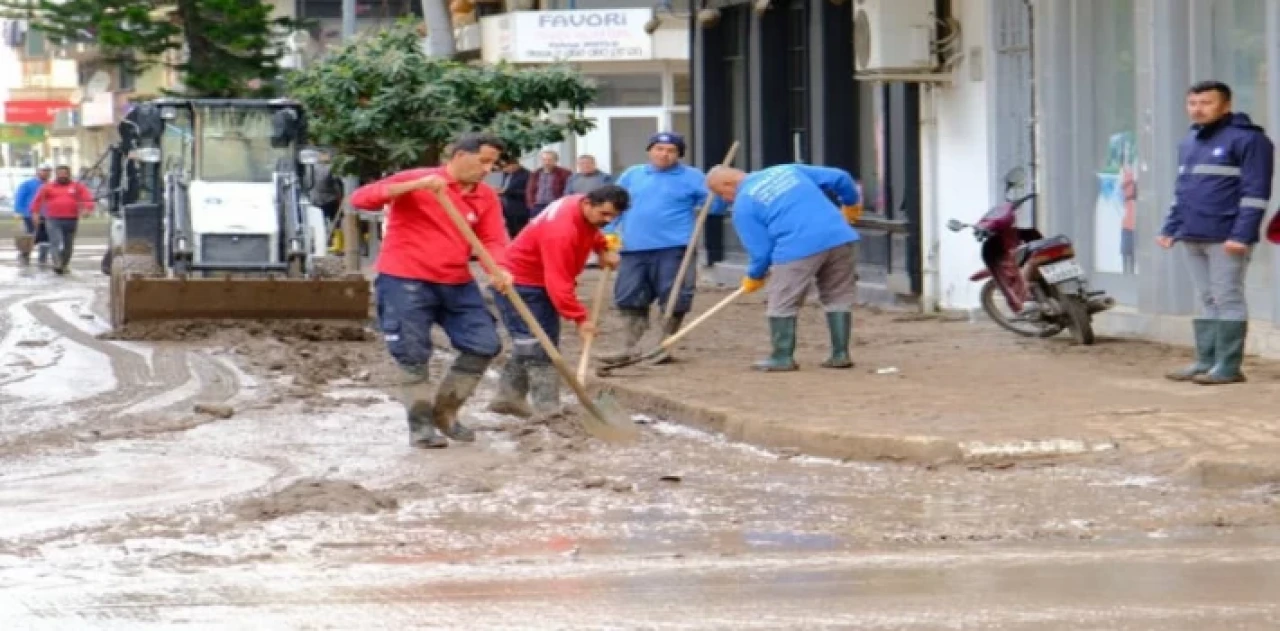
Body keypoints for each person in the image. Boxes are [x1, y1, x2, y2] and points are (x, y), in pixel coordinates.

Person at [350, 132, 513, 449]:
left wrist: (500, 268)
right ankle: (421, 425)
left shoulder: (485, 197)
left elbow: (492, 239)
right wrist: (416, 186)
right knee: (412, 354)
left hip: (455, 280)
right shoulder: (418, 179)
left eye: (493, 163)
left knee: (484, 343)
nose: (488, 169)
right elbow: (361, 199)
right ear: (458, 155)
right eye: (483, 161)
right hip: (404, 279)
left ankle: (446, 412)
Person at [1159, 80, 1273, 386]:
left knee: (1227, 297)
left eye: (1206, 103)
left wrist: (1242, 234)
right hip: (1192, 233)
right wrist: (1170, 227)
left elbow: (1256, 193)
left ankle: (1228, 367)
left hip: (1226, 236)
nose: (1198, 109)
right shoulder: (1190, 141)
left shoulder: (1250, 141)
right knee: (1206, 297)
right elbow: (1182, 190)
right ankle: (1205, 361)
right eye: (1193, 103)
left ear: (1226, 105)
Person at [487, 185, 629, 418]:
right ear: (588, 203)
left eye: (613, 216)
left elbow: (591, 229)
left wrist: (602, 248)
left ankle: (507, 397)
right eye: (604, 214)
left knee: (533, 343)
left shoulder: (578, 202)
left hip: (536, 281)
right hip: (518, 285)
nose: (608, 220)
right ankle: (548, 409)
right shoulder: (561, 231)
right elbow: (558, 283)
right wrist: (580, 318)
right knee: (540, 347)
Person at [705, 163, 862, 371]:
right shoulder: (786, 170)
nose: (724, 200)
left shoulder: (744, 205)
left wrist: (754, 276)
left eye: (720, 193)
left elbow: (761, 252)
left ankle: (782, 357)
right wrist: (851, 204)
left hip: (797, 246)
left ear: (728, 183)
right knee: (837, 296)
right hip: (839, 236)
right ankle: (840, 354)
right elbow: (841, 177)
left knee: (781, 300)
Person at [599, 132, 710, 364]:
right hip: (634, 247)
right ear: (650, 151)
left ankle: (662, 347)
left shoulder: (693, 177)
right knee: (629, 297)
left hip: (675, 248)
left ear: (679, 154)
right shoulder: (633, 174)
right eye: (659, 148)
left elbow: (714, 206)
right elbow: (613, 205)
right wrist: (607, 234)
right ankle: (629, 347)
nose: (664, 154)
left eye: (671, 150)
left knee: (674, 297)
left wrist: (716, 190)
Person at [30, 164, 94, 275]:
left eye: (65, 174)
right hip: (52, 219)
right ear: (56, 175)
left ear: (69, 175)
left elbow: (87, 199)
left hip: (71, 219)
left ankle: (64, 264)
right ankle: (57, 263)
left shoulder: (77, 186)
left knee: (68, 244)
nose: (62, 176)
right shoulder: (47, 187)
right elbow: (37, 201)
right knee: (55, 241)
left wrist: (87, 210)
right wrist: (35, 214)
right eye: (60, 174)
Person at [12, 162, 51, 267]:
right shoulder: (27, 184)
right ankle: (25, 254)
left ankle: (43, 259)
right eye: (43, 171)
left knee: (45, 237)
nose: (46, 173)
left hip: (47, 216)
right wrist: (20, 212)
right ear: (37, 171)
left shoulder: (51, 185)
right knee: (32, 236)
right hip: (30, 215)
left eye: (48, 171)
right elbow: (19, 199)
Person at [524, 150, 571, 218]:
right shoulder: (535, 173)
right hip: (537, 206)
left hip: (555, 206)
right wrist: (531, 204)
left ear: (556, 160)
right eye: (544, 160)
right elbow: (530, 190)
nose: (547, 162)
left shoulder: (565, 173)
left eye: (550, 160)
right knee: (538, 227)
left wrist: (562, 205)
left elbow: (567, 191)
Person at [496, 155, 532, 238]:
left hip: (520, 210)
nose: (504, 169)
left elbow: (528, 193)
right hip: (507, 209)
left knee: (520, 234)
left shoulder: (527, 175)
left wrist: (507, 191)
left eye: (506, 166)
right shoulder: (506, 174)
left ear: (514, 164)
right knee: (509, 233)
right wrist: (500, 190)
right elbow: (506, 187)